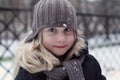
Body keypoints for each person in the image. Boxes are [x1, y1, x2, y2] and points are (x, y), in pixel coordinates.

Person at [13, 0, 106, 80]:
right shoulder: (29, 72)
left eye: (67, 29)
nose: (61, 39)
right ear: (38, 34)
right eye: (52, 30)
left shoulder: (89, 64)